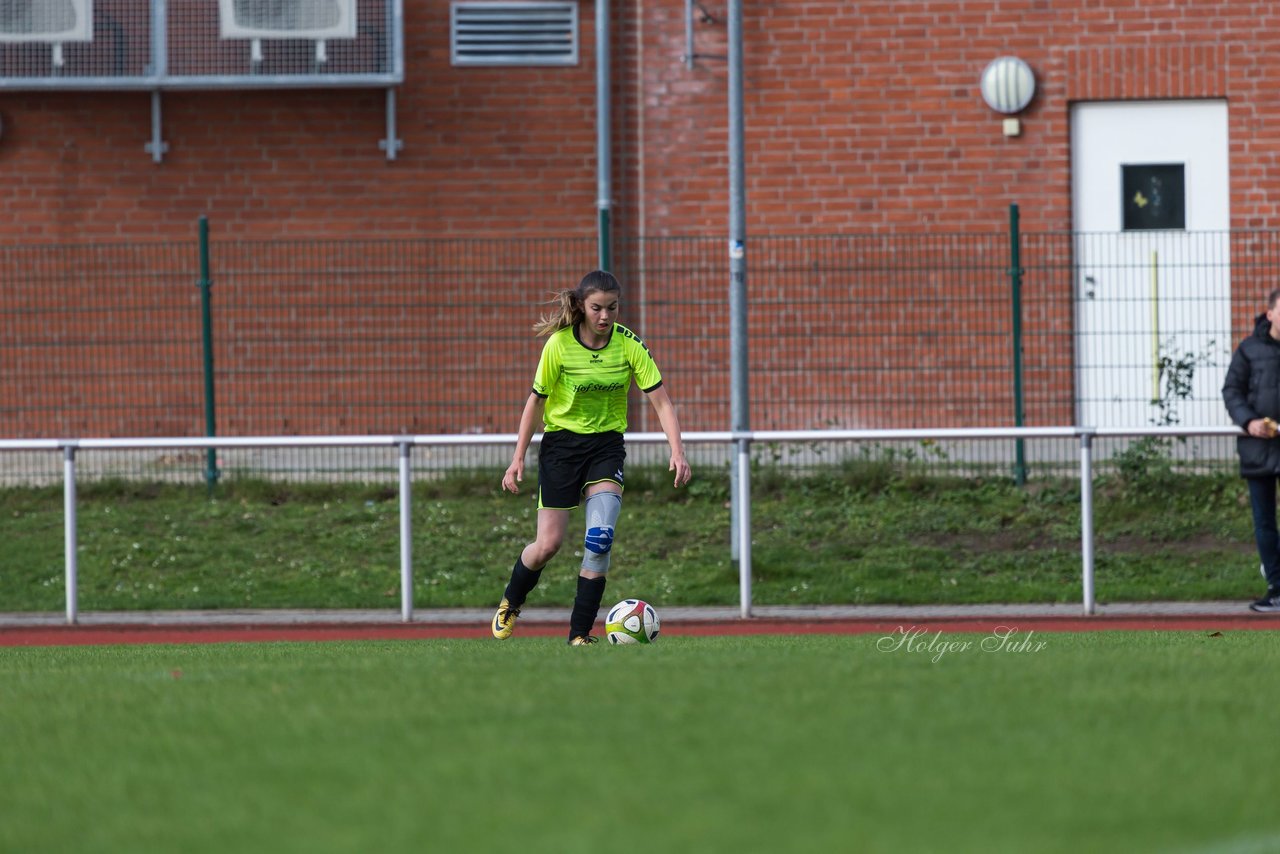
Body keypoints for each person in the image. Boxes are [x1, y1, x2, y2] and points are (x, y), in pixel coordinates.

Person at [493, 270, 692, 644]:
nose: (605, 316)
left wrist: (677, 452)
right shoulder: (558, 345)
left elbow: (661, 402)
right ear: (582, 307)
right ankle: (512, 599)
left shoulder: (630, 344)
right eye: (597, 308)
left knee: (600, 539)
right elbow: (535, 402)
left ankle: (579, 635)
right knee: (547, 546)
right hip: (561, 449)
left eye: (612, 308)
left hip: (606, 447)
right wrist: (517, 457)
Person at [1223, 287, 1280, 613]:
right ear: (1270, 313)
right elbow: (1232, 391)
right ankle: (1275, 586)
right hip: (1258, 448)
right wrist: (1249, 422)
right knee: (1264, 522)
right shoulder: (1249, 349)